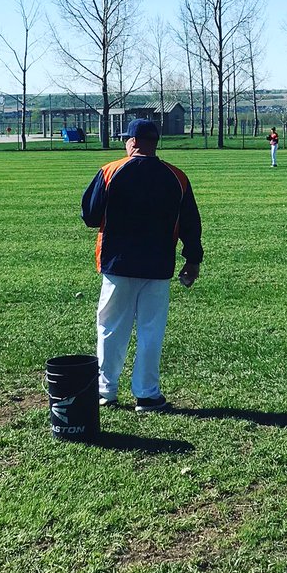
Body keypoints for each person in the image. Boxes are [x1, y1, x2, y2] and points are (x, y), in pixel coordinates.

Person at [81, 119, 203, 413]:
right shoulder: (177, 176)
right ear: (155, 142)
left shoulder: (111, 170)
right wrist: (193, 259)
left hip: (117, 263)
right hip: (158, 265)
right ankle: (147, 395)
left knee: (111, 328)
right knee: (151, 330)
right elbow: (191, 224)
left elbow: (90, 216)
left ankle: (105, 391)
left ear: (133, 141)